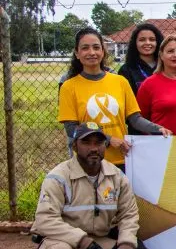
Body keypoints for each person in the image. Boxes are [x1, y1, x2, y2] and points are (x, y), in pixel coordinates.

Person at [31, 122, 154, 249]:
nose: (93, 148)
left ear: (106, 146)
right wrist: (82, 241)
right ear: (75, 146)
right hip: (64, 240)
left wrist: (125, 245)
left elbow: (129, 215)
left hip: (99, 240)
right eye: (86, 142)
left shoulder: (116, 177)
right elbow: (44, 219)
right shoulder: (58, 177)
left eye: (99, 142)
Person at [58, 28, 168, 170]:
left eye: (96, 47)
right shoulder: (68, 86)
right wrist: (108, 140)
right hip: (88, 162)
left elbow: (134, 119)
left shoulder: (120, 81)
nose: (92, 52)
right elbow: (72, 130)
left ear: (103, 51)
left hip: (121, 160)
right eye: (85, 48)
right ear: (77, 53)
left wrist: (158, 129)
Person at [117, 22, 163, 96]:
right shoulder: (126, 70)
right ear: (135, 43)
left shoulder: (166, 67)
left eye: (152, 39)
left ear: (158, 42)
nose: (147, 43)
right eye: (142, 40)